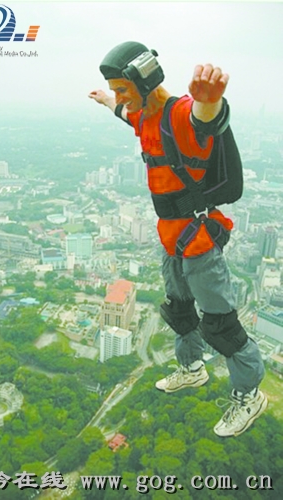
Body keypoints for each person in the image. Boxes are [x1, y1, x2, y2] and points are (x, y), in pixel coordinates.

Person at [89, 41, 267, 437]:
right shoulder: (144, 116)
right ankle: (191, 368)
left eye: (123, 88)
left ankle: (249, 394)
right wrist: (106, 100)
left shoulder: (181, 114)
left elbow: (206, 120)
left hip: (198, 239)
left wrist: (211, 101)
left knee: (220, 325)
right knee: (180, 310)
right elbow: (125, 114)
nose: (120, 98)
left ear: (145, 81)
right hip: (170, 237)